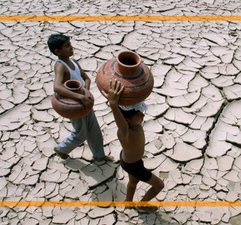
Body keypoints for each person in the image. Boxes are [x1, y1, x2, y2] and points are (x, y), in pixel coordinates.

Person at [47, 34, 114, 162]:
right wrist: (80, 97)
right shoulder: (60, 65)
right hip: (75, 106)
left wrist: (86, 93)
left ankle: (99, 156)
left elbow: (86, 78)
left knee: (94, 130)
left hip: (85, 102)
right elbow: (57, 87)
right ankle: (61, 149)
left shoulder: (73, 62)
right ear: (58, 51)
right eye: (67, 46)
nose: (71, 47)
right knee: (80, 133)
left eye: (70, 44)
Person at [106, 79, 164, 213]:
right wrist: (113, 104)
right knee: (159, 185)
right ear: (127, 120)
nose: (143, 115)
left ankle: (128, 203)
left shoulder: (135, 123)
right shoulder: (125, 132)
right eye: (139, 114)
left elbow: (133, 105)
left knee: (133, 182)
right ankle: (142, 205)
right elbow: (121, 123)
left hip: (131, 161)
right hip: (132, 165)